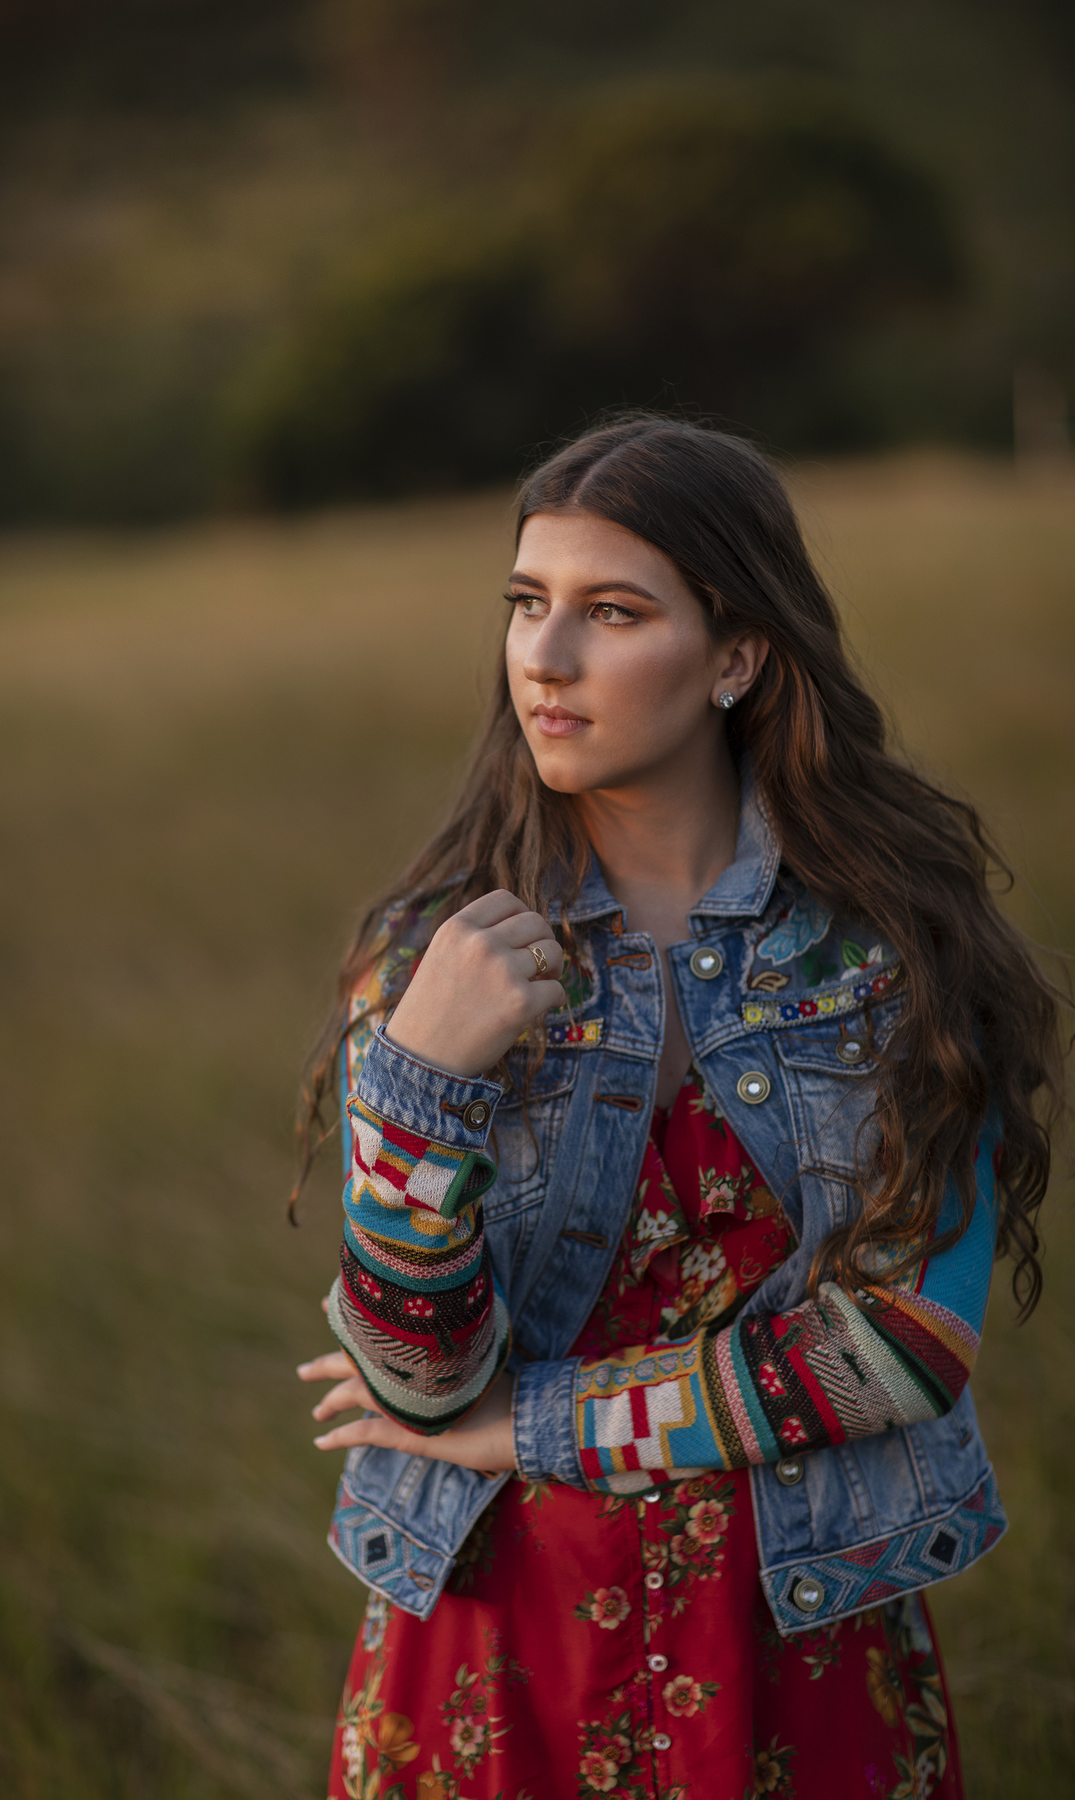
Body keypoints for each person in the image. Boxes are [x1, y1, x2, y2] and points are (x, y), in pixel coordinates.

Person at [295, 417, 1063, 1800]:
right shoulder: (432, 959)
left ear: (739, 655)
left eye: (613, 611)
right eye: (527, 605)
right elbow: (419, 1375)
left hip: (804, 1613)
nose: (546, 655)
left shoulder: (885, 952)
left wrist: (523, 1431)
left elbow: (898, 1347)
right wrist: (421, 1075)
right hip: (493, 1630)